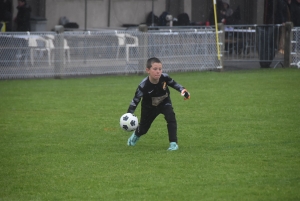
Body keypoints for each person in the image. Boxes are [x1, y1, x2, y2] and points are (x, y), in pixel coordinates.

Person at [126, 57, 190, 151]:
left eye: (160, 69)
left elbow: (175, 84)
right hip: (149, 108)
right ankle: (136, 135)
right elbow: (135, 100)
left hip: (164, 102)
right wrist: (129, 114)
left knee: (171, 117)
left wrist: (183, 91)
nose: (158, 71)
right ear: (148, 70)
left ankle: (173, 144)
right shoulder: (143, 86)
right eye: (155, 69)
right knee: (144, 128)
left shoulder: (164, 78)